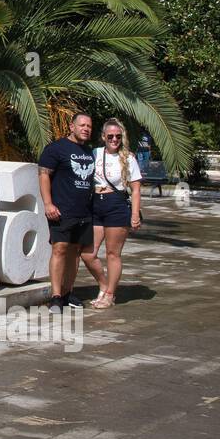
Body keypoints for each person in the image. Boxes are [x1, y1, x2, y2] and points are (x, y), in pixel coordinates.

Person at [39, 112, 98, 312]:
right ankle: (56, 296)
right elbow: (44, 175)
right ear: (71, 127)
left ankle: (67, 293)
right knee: (60, 249)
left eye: (89, 126)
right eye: (82, 125)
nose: (86, 128)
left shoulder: (90, 152)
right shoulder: (56, 149)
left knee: (75, 253)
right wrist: (48, 203)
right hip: (61, 211)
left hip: (84, 212)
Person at [82, 118, 142, 310]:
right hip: (95, 204)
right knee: (88, 253)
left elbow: (136, 190)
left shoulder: (128, 158)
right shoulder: (94, 153)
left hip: (116, 205)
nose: (114, 139)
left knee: (112, 254)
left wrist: (135, 215)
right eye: (110, 136)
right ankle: (104, 284)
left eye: (118, 136)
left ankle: (109, 294)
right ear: (103, 137)